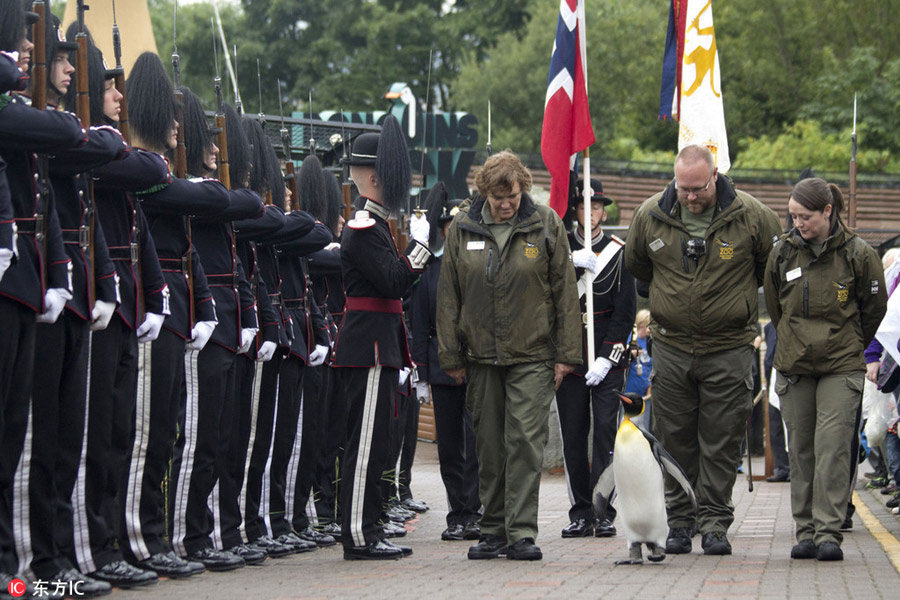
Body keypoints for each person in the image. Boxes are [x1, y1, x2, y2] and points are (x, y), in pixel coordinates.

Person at [624, 144, 782, 556]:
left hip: (728, 347)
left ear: (715, 176)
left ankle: (714, 521)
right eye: (683, 188)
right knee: (675, 438)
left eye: (698, 188)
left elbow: (772, 269)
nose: (690, 196)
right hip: (673, 346)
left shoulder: (752, 216)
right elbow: (639, 267)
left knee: (721, 437)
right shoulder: (651, 215)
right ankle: (679, 521)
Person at [436, 150, 582, 561]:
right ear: (484, 192)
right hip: (480, 356)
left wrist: (566, 354)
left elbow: (565, 293)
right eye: (498, 197)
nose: (506, 204)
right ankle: (493, 530)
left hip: (533, 354)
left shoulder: (546, 224)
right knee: (488, 445)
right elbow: (448, 297)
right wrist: (451, 356)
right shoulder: (462, 229)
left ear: (523, 190)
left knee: (524, 442)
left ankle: (520, 532)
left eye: (513, 196)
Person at [764, 176, 886, 561]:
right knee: (801, 450)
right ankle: (805, 531)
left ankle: (829, 531)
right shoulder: (782, 253)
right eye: (794, 216)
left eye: (806, 216)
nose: (798, 223)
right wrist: (794, 339)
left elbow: (874, 309)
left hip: (840, 366)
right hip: (795, 365)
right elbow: (774, 304)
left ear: (828, 211)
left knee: (832, 448)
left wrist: (849, 342)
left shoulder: (859, 254)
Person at [332, 115, 433, 560]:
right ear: (374, 176)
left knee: (378, 444)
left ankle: (367, 526)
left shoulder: (376, 227)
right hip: (369, 347)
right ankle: (358, 531)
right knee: (366, 444)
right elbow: (393, 282)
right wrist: (420, 248)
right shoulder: (363, 229)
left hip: (380, 345)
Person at [556, 178, 635, 539]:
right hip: (570, 355)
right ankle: (580, 511)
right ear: (575, 210)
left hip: (606, 354)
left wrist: (608, 357)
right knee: (573, 435)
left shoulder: (618, 252)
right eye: (584, 207)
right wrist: (567, 265)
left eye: (598, 207)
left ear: (605, 211)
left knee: (605, 433)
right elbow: (548, 300)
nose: (592, 213)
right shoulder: (560, 250)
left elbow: (625, 311)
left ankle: (603, 509)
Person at [410, 184, 481, 542]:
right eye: (449, 228)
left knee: (477, 441)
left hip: (478, 365)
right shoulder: (430, 272)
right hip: (441, 368)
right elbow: (420, 325)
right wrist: (421, 375)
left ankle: (476, 510)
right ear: (442, 231)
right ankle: (457, 512)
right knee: (450, 446)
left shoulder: (481, 267)